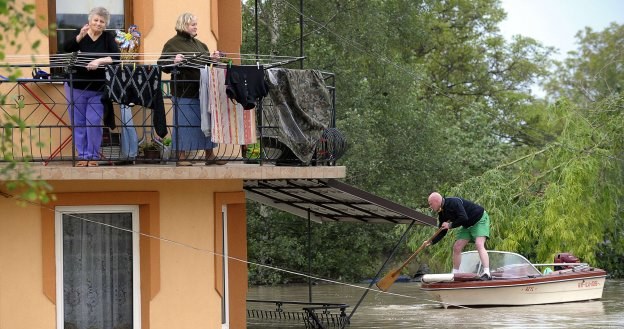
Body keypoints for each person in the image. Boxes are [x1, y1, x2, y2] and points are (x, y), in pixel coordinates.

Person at [157, 12, 225, 166]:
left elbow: (205, 64)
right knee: (183, 123)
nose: (196, 27)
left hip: (203, 91)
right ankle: (181, 157)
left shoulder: (201, 45)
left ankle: (210, 155)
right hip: (183, 91)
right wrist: (173, 60)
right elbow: (162, 64)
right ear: (184, 25)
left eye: (196, 24)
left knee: (206, 122)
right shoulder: (172, 44)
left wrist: (212, 59)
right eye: (193, 24)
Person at [63, 7, 120, 167]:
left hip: (98, 88)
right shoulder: (80, 34)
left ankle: (93, 157)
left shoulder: (108, 38)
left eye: (102, 21)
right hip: (76, 87)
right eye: (96, 20)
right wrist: (80, 36)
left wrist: (99, 61)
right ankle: (83, 156)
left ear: (105, 24)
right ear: (89, 21)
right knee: (78, 123)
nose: (98, 23)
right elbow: (66, 48)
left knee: (93, 122)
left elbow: (116, 57)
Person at [426, 192, 492, 280]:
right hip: (467, 225)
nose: (430, 207)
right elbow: (442, 231)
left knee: (479, 244)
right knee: (457, 247)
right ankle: (455, 274)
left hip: (479, 220)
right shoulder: (442, 213)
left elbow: (463, 217)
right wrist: (431, 241)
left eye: (431, 204)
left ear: (437, 200)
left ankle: (487, 273)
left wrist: (450, 225)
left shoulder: (454, 202)